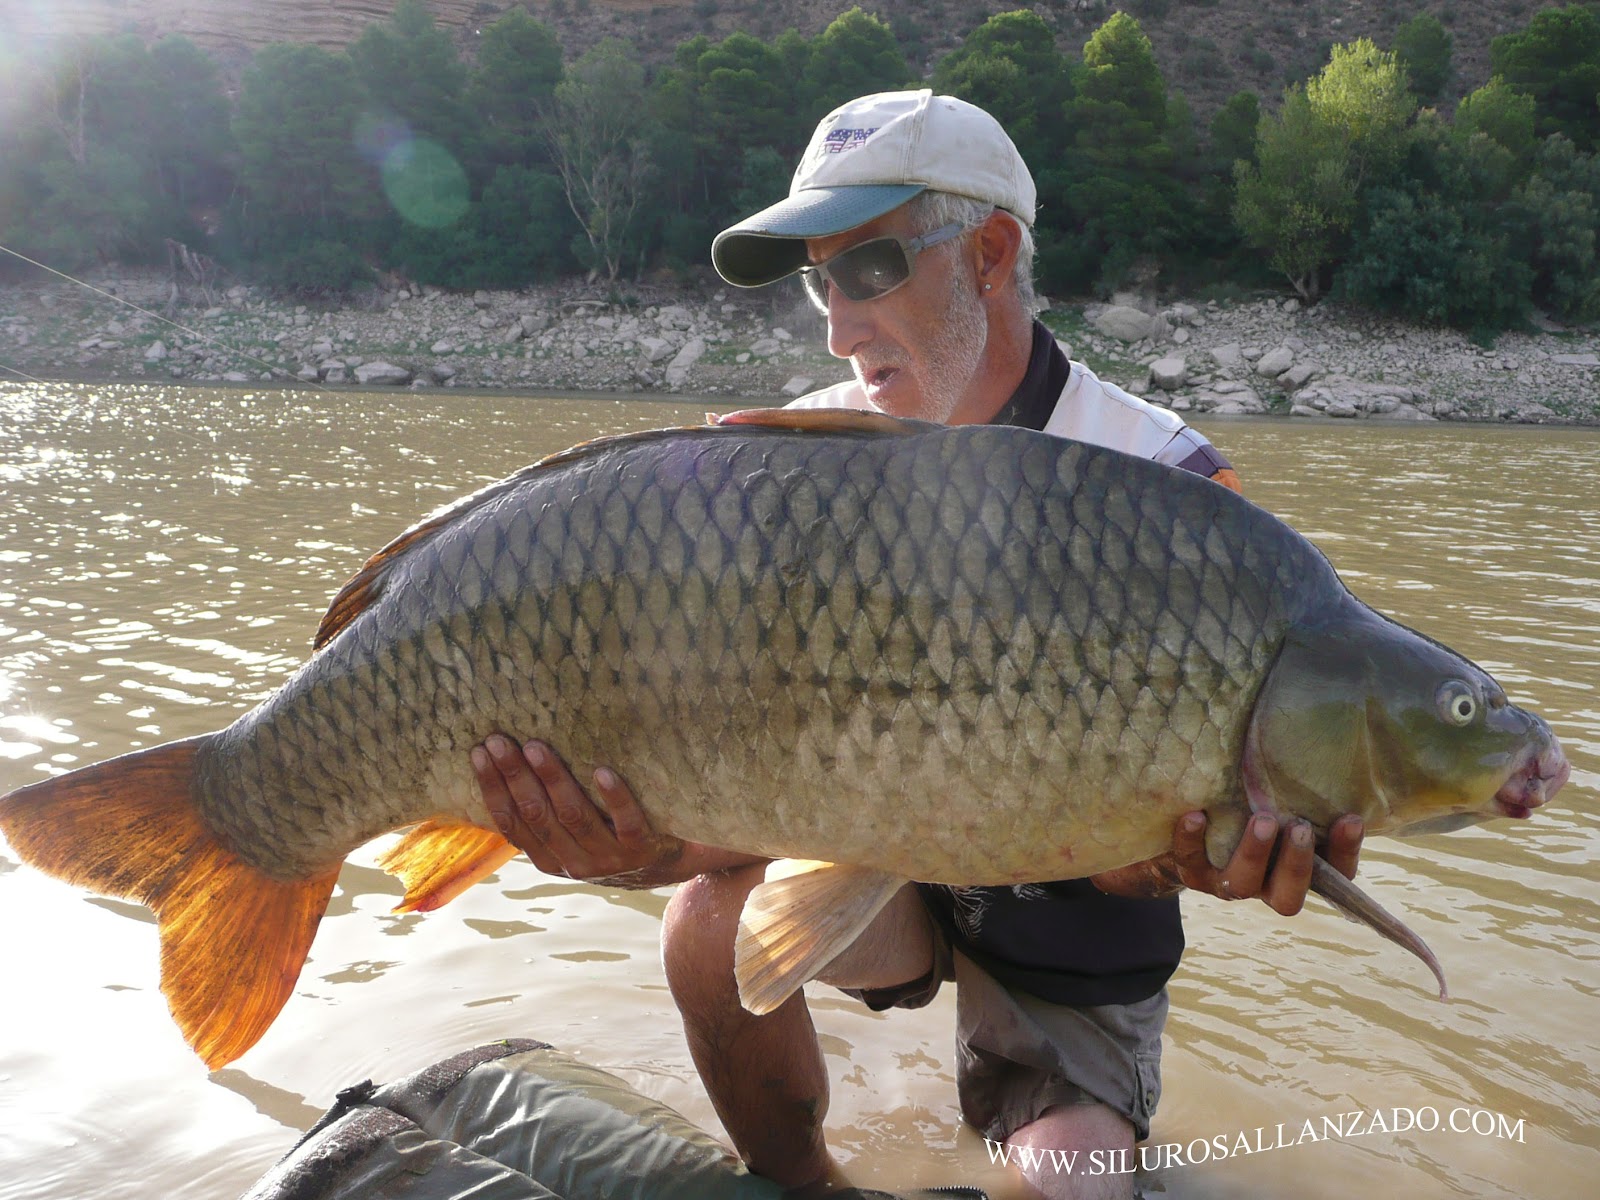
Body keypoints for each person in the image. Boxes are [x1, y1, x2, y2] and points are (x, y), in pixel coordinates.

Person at [470, 91, 1365, 1200]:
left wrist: (1199, 851)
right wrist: (627, 845)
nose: (838, 328)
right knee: (703, 926)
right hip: (865, 847)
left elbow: (1172, 842)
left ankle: (1067, 1111)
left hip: (1066, 917)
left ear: (990, 255)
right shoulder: (784, 468)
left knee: (1069, 1183)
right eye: (820, 282)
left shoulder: (1166, 484)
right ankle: (806, 1184)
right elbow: (721, 797)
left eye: (870, 269)